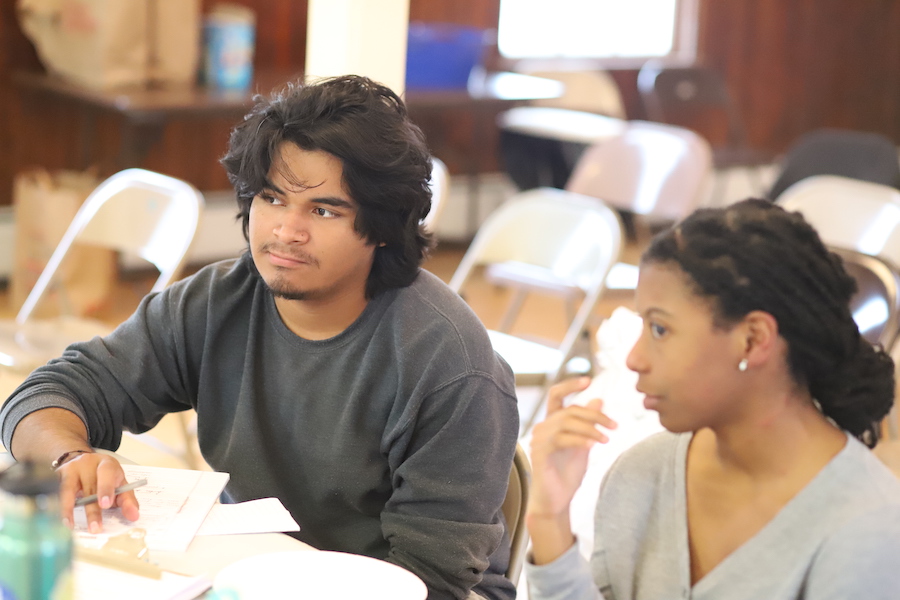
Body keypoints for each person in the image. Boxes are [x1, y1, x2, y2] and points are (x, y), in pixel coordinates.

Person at [0, 75, 519, 600]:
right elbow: (46, 395)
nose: (285, 232)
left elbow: (431, 580)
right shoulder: (216, 301)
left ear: (383, 225)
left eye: (323, 210)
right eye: (272, 198)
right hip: (258, 570)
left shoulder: (449, 363)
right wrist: (71, 461)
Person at [525, 199, 900, 599]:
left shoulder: (866, 528)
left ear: (752, 339)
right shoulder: (641, 473)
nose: (634, 359)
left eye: (659, 329)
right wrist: (550, 519)